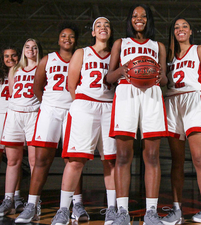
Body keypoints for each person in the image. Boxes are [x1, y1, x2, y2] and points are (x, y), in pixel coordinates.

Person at [14, 23, 89, 223]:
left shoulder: (81, 58)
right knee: (41, 161)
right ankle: (32, 205)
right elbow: (37, 88)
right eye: (63, 36)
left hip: (74, 111)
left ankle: (77, 204)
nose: (67, 39)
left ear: (75, 40)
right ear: (58, 39)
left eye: (71, 36)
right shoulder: (48, 59)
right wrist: (50, 103)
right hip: (50, 112)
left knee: (74, 161)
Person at [51, 17, 117, 225]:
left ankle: (113, 209)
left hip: (109, 107)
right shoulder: (82, 52)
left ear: (110, 31)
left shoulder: (117, 55)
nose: (102, 28)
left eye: (106, 25)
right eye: (98, 26)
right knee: (76, 161)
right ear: (93, 33)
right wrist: (82, 105)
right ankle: (63, 209)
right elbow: (72, 85)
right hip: (85, 106)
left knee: (111, 161)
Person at [106, 4, 168, 225]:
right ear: (130, 20)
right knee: (123, 156)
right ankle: (122, 212)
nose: (139, 19)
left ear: (149, 20)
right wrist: (126, 70)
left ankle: (151, 213)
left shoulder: (158, 45)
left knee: (151, 156)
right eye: (134, 15)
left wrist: (154, 73)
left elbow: (166, 81)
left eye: (143, 16)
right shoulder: (120, 43)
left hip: (151, 93)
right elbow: (108, 77)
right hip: (126, 92)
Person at [160, 17, 201, 225]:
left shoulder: (199, 49)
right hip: (172, 102)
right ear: (173, 33)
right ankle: (176, 210)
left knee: (199, 158)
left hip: (194, 100)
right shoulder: (169, 57)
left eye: (184, 27)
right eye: (176, 27)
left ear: (191, 31)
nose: (180, 30)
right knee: (177, 161)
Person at [0, 38, 42, 216]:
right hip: (15, 114)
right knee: (12, 161)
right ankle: (8, 199)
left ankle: (34, 202)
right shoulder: (15, 69)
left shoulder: (42, 69)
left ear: (38, 50)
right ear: (23, 50)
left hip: (33, 114)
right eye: (27, 47)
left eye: (34, 47)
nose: (30, 50)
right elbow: (11, 92)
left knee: (34, 162)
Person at [0, 46, 25, 213]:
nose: (10, 59)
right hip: (0, 117)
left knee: (13, 160)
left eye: (13, 55)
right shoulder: (1, 77)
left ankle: (16, 196)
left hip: (15, 117)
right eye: (6, 56)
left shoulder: (24, 73)